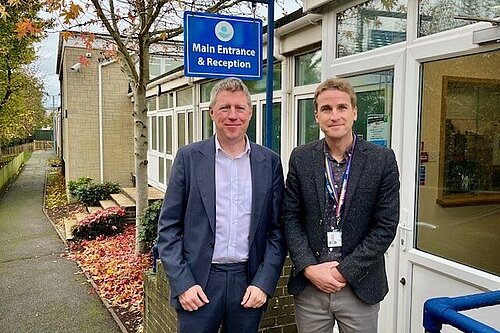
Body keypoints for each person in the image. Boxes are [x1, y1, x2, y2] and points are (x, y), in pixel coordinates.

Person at [157, 77, 286, 333]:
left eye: (239, 108)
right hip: (199, 284)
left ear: (250, 113)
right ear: (212, 112)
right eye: (225, 108)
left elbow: (277, 230)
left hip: (247, 284)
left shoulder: (269, 162)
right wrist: (183, 283)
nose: (232, 115)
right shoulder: (189, 158)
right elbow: (168, 229)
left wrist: (264, 282)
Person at [283, 78, 400, 333]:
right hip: (310, 287)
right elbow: (290, 217)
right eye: (326, 109)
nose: (334, 115)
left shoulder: (381, 160)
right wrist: (310, 268)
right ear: (316, 116)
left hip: (360, 286)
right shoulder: (301, 158)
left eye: (342, 108)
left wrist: (344, 272)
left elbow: (385, 226)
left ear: (354, 112)